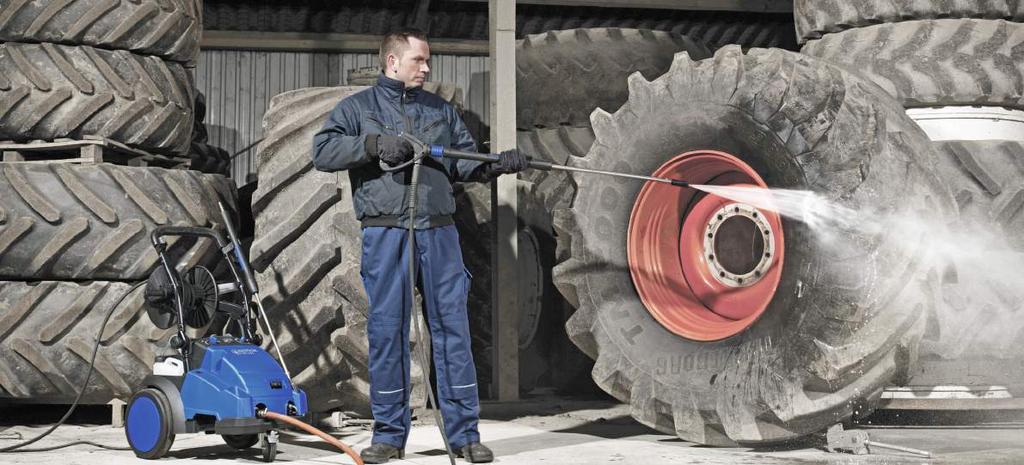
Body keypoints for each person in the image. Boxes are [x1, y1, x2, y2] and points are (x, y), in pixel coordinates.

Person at [311, 29, 527, 464]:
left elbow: (462, 160)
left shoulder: (439, 110)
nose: (427, 68)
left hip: (439, 232)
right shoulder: (358, 109)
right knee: (387, 333)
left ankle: (464, 436)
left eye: (427, 61)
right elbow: (323, 150)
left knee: (453, 332)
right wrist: (372, 145)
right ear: (392, 62)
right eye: (419, 61)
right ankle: (390, 436)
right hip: (386, 233)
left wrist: (496, 165)